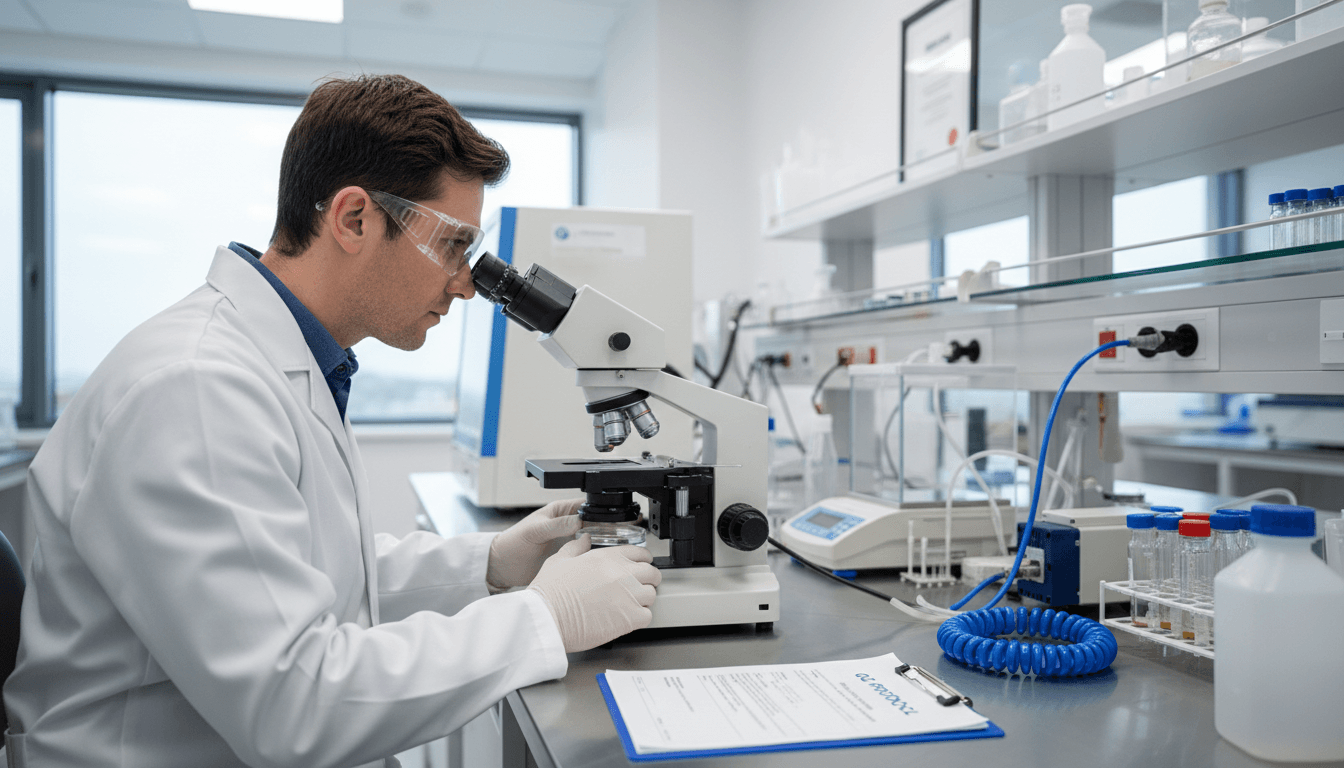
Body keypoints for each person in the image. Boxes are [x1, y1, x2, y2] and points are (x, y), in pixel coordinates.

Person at [2, 74, 661, 768]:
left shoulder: (280, 360)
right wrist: (543, 618)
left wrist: (493, 561)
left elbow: (309, 567)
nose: (466, 282)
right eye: (453, 245)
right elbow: (294, 705)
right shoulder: (194, 389)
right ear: (353, 219)